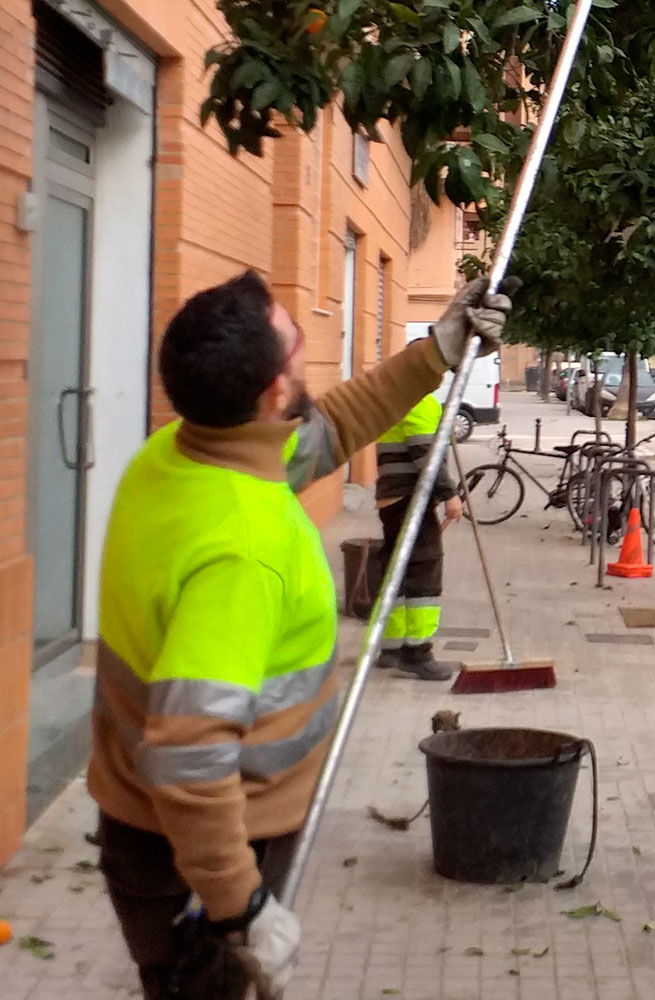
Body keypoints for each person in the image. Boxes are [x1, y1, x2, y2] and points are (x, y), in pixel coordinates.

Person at [89, 271, 510, 999]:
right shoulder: (241, 549)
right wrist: (240, 907)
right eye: (296, 348)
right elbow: (188, 754)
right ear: (272, 395)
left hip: (152, 834)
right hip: (202, 855)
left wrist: (436, 350)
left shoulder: (177, 454)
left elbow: (335, 425)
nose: (307, 354)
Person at [374, 393, 463, 680]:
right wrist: (448, 493)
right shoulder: (419, 401)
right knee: (425, 568)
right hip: (410, 500)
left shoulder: (399, 399)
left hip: (392, 498)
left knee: (397, 572)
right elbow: (427, 454)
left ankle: (392, 647)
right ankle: (418, 652)